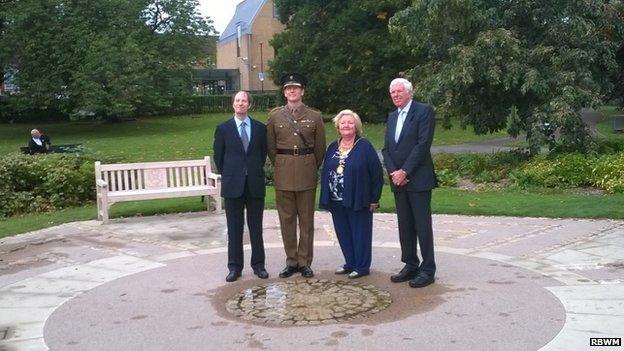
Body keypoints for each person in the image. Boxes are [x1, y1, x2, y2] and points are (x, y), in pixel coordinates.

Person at [267, 73, 326, 278]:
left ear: (302, 91)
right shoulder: (275, 116)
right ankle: (291, 261)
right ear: (284, 92)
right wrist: (283, 163)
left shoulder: (315, 116)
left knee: (306, 221)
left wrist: (309, 165)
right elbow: (271, 148)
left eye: (296, 87)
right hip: (283, 173)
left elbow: (320, 150)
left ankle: (304, 262)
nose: (292, 91)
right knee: (287, 220)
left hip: (306, 173)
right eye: (288, 88)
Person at [381, 78, 438, 288]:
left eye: (399, 91)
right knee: (405, 225)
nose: (395, 95)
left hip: (418, 179)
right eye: (392, 92)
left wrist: (405, 171)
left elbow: (423, 145)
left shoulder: (424, 112)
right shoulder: (392, 116)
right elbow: (386, 148)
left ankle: (428, 269)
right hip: (398, 180)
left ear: (409, 92)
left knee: (422, 226)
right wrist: (394, 172)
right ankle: (410, 264)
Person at [319, 110, 383, 279]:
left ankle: (362, 266)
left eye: (350, 123)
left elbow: (376, 173)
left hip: (359, 198)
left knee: (360, 232)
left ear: (356, 126)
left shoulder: (364, 146)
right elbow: (326, 171)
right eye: (343, 123)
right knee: (343, 232)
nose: (346, 125)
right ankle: (350, 262)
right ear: (338, 127)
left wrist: (374, 198)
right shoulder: (333, 146)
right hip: (336, 200)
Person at [213, 91, 269, 282]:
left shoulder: (261, 128)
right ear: (232, 104)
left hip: (254, 183)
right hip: (232, 185)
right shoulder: (223, 129)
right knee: (234, 228)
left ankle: (259, 265)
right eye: (237, 100)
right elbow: (219, 158)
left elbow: (262, 155)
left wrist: (250, 170)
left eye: (244, 100)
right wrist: (232, 173)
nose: (240, 103)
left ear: (249, 105)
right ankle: (235, 267)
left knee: (256, 228)